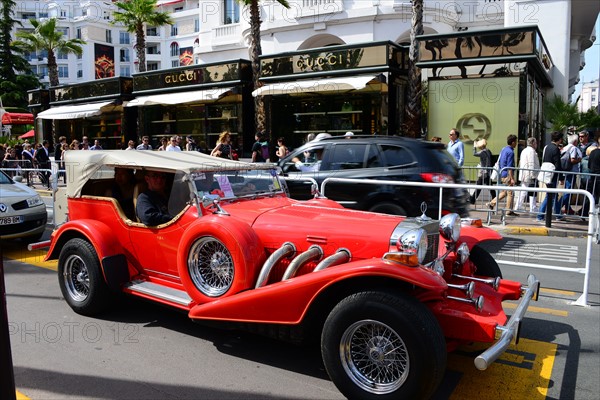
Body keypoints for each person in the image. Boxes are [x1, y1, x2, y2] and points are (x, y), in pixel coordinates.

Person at [487, 134, 518, 216]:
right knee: (510, 193)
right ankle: (508, 210)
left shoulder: (503, 149)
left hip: (502, 174)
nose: (516, 143)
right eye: (516, 142)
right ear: (513, 142)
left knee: (504, 192)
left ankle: (491, 203)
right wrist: (511, 178)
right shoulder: (511, 152)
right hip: (507, 175)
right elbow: (510, 166)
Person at [537, 131, 564, 222]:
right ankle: (540, 215)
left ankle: (558, 214)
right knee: (550, 195)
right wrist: (561, 177)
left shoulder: (547, 147)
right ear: (559, 139)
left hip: (546, 174)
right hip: (553, 175)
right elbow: (558, 164)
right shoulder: (555, 149)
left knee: (553, 195)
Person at [559, 133, 582, 215]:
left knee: (567, 190)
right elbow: (572, 160)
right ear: (575, 141)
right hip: (571, 171)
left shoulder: (565, 148)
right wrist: (579, 160)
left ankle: (568, 209)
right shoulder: (574, 148)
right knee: (568, 191)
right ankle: (558, 207)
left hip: (565, 171)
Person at [515, 137, 540, 212]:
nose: (536, 145)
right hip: (529, 174)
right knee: (532, 190)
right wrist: (533, 175)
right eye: (535, 143)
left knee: (524, 190)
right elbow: (531, 163)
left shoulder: (524, 150)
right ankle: (532, 207)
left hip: (524, 173)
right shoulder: (531, 151)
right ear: (533, 143)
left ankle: (518, 206)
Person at [469, 138, 495, 204]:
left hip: (484, 172)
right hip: (487, 172)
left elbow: (474, 154)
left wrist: (474, 146)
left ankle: (472, 200)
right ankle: (494, 199)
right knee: (489, 187)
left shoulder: (483, 152)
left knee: (479, 186)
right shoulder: (488, 151)